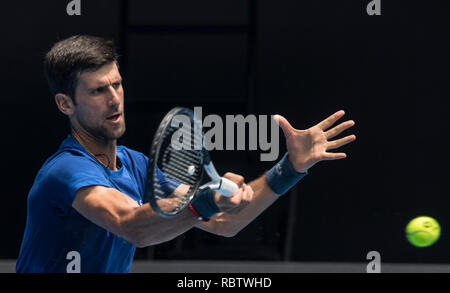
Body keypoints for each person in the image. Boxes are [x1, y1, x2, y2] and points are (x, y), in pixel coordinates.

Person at [16, 35, 356, 273]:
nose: (114, 98)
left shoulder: (136, 166)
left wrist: (289, 169)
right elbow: (130, 226)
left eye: (117, 84)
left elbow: (225, 223)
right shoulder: (65, 170)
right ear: (65, 103)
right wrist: (204, 201)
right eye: (97, 90)